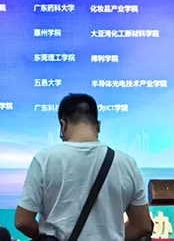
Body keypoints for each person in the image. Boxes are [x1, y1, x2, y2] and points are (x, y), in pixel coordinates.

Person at [15, 93, 153, 241]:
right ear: (98, 126)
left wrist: (48, 237)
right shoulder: (126, 163)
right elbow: (142, 225)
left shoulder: (44, 160)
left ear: (63, 125)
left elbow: (23, 221)